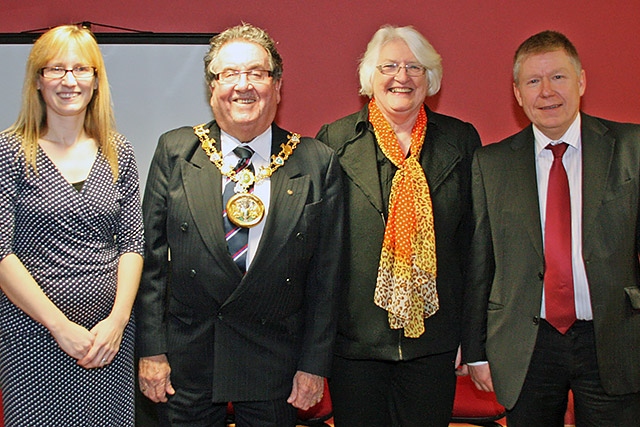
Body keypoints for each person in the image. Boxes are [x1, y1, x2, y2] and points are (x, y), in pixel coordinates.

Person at [135, 23, 343, 427]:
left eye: (256, 73)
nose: (243, 85)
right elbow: (153, 263)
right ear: (212, 87)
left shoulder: (316, 161)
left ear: (277, 85)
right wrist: (152, 351)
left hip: (275, 364)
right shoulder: (176, 151)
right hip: (186, 362)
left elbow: (327, 275)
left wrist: (314, 365)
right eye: (229, 74)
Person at [463, 30, 640, 426]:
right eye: (532, 81)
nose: (547, 92)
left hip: (613, 340)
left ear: (580, 81)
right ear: (517, 92)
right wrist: (475, 351)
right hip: (528, 345)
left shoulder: (632, 148)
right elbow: (480, 265)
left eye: (558, 77)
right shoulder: (491, 165)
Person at [315, 25, 481, 427]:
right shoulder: (332, 143)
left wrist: (470, 339)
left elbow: (474, 248)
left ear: (430, 79)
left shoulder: (460, 142)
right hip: (354, 345)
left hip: (435, 342)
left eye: (415, 67)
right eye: (389, 65)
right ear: (370, 76)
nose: (401, 77)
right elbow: (320, 254)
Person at [0, 25, 144, 426]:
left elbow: (133, 244)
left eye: (81, 69)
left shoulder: (119, 151)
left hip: (107, 342)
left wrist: (117, 321)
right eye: (56, 69)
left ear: (96, 81)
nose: (69, 80)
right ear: (38, 80)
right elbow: (1, 253)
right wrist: (60, 326)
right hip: (33, 335)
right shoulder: (8, 152)